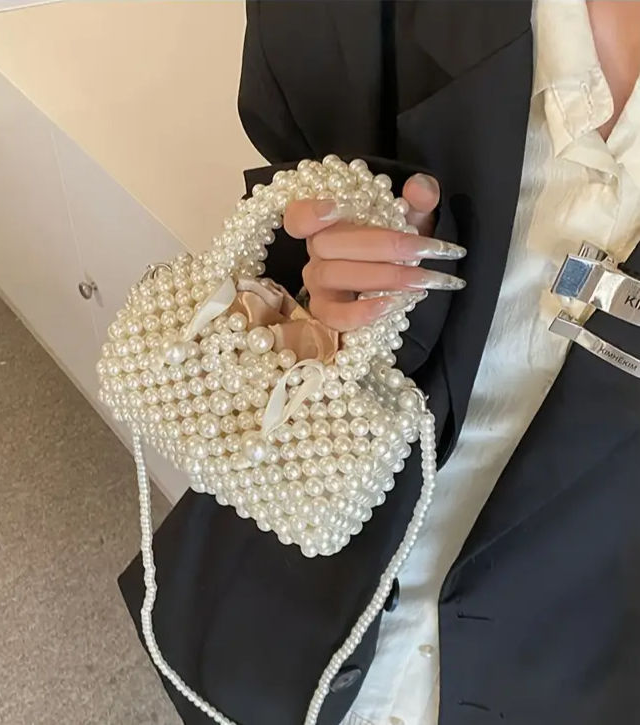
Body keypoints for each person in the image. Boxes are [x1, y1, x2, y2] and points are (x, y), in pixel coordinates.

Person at [118, 2, 640, 723]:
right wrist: (329, 286)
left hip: (569, 674)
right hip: (295, 612)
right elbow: (285, 214)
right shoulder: (335, 17)